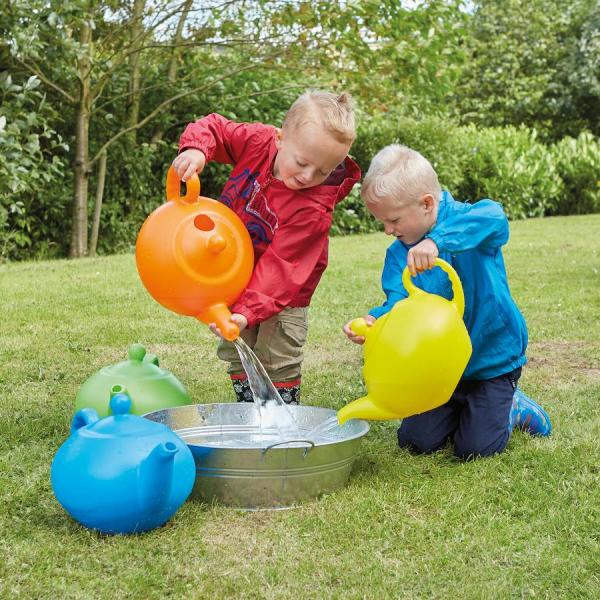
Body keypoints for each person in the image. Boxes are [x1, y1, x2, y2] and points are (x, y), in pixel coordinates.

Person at [343, 144, 551, 459]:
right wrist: (376, 322)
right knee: (417, 443)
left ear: (427, 203)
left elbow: (495, 217)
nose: (387, 230)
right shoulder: (399, 254)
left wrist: (437, 242)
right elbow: (399, 304)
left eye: (394, 220)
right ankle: (461, 409)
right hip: (438, 371)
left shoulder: (471, 220)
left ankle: (513, 407)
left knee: (475, 449)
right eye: (382, 222)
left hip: (489, 360)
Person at [173, 91, 360, 404]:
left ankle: (281, 418)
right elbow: (216, 128)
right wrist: (197, 150)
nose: (308, 177)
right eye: (302, 163)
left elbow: (282, 267)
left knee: (277, 355)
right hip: (236, 273)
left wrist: (248, 311)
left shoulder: (312, 209)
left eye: (324, 171)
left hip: (285, 291)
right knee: (235, 346)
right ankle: (250, 411)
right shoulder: (258, 142)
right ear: (280, 138)